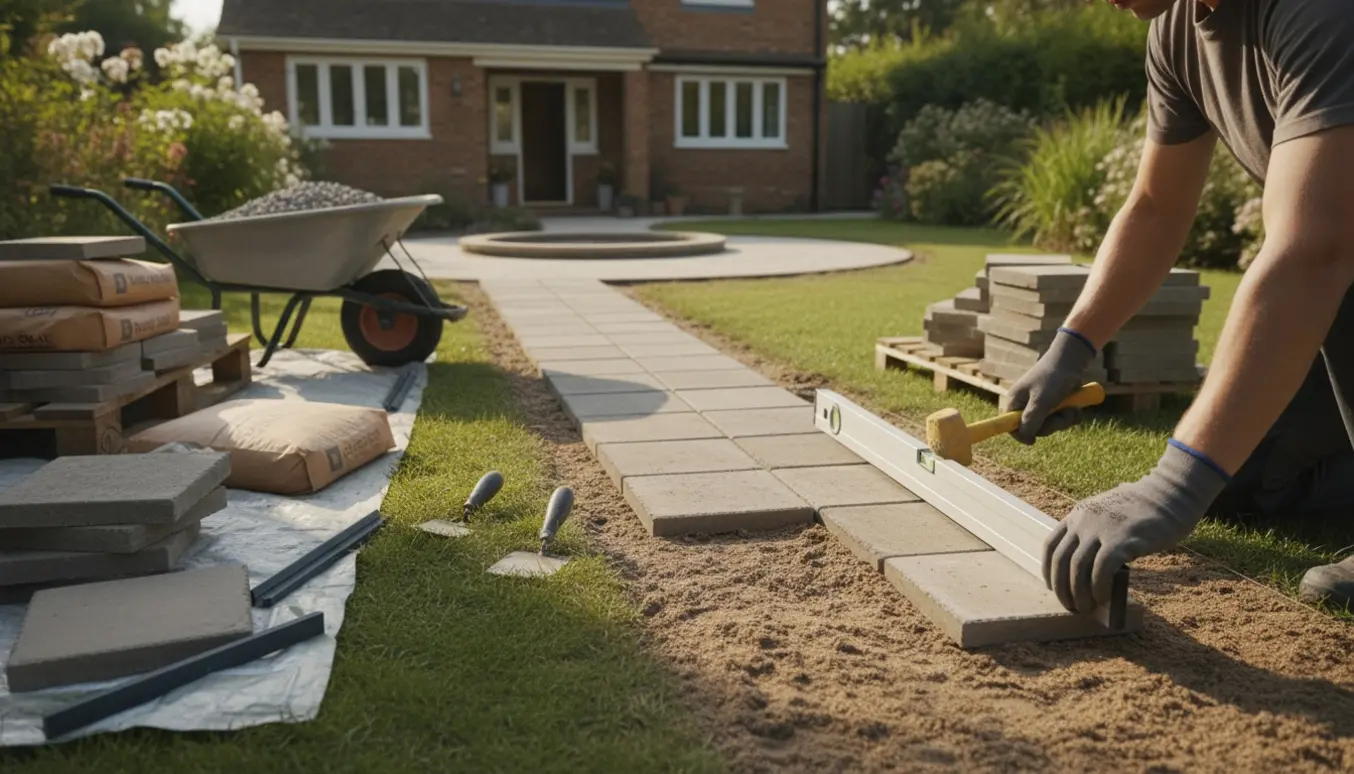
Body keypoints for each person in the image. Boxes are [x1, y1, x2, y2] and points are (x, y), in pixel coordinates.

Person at [1005, 0, 1354, 613]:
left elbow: (1315, 251)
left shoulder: (1321, 12)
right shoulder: (1175, 30)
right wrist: (1072, 347)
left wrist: (1172, 484)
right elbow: (1155, 207)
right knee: (1239, 472)